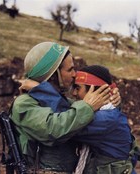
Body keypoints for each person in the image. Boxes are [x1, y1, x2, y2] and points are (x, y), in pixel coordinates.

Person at [10, 42, 121, 174]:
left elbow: (91, 117)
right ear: (53, 74)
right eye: (70, 70)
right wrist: (88, 107)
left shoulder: (60, 100)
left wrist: (112, 102)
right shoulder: (24, 104)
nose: (75, 74)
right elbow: (54, 129)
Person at [20, 65, 140, 174]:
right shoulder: (107, 112)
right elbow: (75, 111)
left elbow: (68, 119)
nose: (73, 93)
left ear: (95, 92)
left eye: (78, 88)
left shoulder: (106, 119)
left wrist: (40, 89)